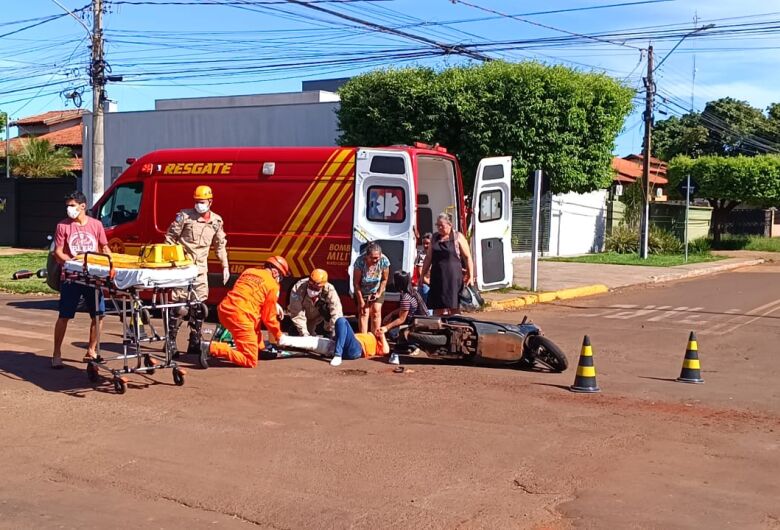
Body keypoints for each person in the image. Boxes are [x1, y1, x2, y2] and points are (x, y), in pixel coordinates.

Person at [165, 185, 230, 353]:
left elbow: (220, 245)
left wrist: (225, 266)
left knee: (199, 307)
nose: (199, 204)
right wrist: (173, 261)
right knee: (179, 306)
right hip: (183, 268)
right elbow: (170, 238)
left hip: (201, 270)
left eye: (202, 201)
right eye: (196, 201)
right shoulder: (185, 217)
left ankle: (194, 340)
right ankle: (170, 342)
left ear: (210, 201)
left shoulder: (216, 221)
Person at [51, 191, 111, 369]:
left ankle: (91, 350)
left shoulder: (96, 225)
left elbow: (104, 247)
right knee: (64, 316)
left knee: (98, 315)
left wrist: (111, 265)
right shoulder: (63, 226)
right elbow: (58, 252)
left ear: (82, 206)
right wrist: (71, 263)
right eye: (68, 206)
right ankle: (56, 353)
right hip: (71, 278)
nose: (69, 209)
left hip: (93, 278)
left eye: (72, 205)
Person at [206, 256, 290, 368]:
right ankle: (212, 347)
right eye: (281, 276)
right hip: (240, 317)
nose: (280, 280)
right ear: (275, 272)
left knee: (255, 318)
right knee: (250, 360)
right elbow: (269, 318)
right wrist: (278, 335)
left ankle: (257, 348)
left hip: (224, 310)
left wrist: (260, 347)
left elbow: (256, 315)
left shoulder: (249, 271)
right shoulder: (273, 285)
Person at [421, 212, 474, 316]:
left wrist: (470, 275)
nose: (439, 228)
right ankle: (438, 329)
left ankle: (455, 329)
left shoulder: (458, 237)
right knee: (438, 307)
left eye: (442, 225)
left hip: (453, 278)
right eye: (438, 225)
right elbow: (428, 258)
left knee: (453, 307)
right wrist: (422, 274)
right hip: (437, 278)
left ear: (450, 225)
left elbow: (467, 257)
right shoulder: (435, 238)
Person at [380, 270, 429, 363]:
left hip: (417, 323)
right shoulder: (412, 292)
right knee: (393, 320)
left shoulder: (406, 297)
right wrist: (391, 314)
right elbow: (404, 309)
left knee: (393, 331)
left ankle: (412, 345)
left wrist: (386, 327)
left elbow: (401, 319)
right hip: (421, 319)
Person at [287, 268, 343, 337]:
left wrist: (334, 330)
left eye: (316, 288)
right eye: (310, 286)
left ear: (322, 286)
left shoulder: (329, 290)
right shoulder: (298, 288)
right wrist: (304, 333)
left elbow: (336, 312)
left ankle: (328, 332)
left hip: (318, 317)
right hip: (304, 316)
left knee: (327, 309)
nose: (312, 290)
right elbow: (296, 313)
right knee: (297, 334)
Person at [352, 241, 390, 333]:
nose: (375, 260)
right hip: (362, 290)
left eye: (377, 258)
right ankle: (364, 338)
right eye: (372, 258)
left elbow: (384, 279)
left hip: (377, 289)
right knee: (364, 312)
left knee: (376, 311)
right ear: (366, 256)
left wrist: (378, 293)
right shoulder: (359, 262)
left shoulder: (384, 261)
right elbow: (356, 283)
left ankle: (375, 337)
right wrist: (361, 300)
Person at [413, 232, 432, 304]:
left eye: (427, 243)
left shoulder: (436, 254)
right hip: (425, 284)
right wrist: (429, 283)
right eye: (423, 243)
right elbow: (420, 273)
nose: (425, 245)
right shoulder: (421, 255)